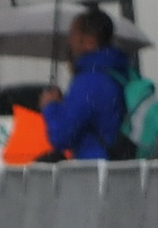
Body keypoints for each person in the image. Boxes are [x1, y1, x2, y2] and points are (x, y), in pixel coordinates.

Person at [40, 8, 129, 161]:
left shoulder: (89, 82)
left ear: (89, 41)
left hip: (94, 169)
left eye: (74, 34)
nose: (70, 41)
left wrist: (51, 106)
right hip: (118, 164)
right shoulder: (117, 72)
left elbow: (61, 136)